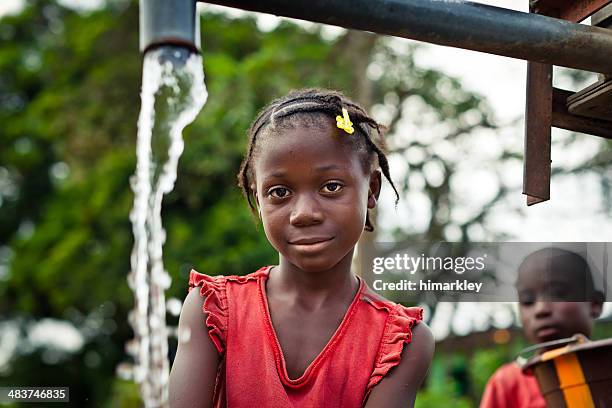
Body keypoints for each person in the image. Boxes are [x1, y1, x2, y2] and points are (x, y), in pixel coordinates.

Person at [168, 88, 434, 408]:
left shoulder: (400, 342)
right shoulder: (212, 312)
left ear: (371, 190)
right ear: (257, 197)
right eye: (279, 192)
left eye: (331, 186)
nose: (304, 213)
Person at [480, 247, 604, 408]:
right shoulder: (507, 383)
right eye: (527, 301)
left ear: (595, 303)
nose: (541, 310)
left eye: (558, 294)